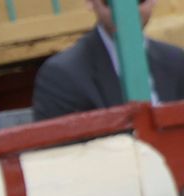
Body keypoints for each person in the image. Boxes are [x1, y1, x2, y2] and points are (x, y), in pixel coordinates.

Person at [32, 0, 184, 120]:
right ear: (90, 1)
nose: (126, 10)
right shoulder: (62, 75)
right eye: (109, 1)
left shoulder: (177, 61)